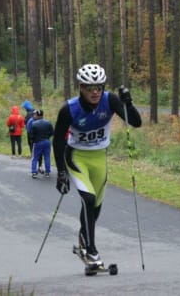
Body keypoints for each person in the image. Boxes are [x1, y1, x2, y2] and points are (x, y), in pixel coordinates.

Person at [52, 64, 142, 266]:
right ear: (81, 88)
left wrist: (128, 104)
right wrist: (61, 173)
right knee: (88, 198)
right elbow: (57, 140)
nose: (95, 92)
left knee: (95, 207)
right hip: (76, 157)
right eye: (89, 88)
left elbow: (136, 122)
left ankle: (83, 240)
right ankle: (92, 251)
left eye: (99, 87)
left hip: (99, 158)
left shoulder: (110, 101)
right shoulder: (69, 109)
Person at [30, 109, 54, 178]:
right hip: (47, 141)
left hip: (38, 142)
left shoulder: (34, 124)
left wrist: (34, 140)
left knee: (35, 157)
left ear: (37, 115)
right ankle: (47, 172)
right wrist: (47, 137)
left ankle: (34, 172)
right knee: (47, 157)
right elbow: (52, 132)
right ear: (43, 115)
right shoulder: (48, 122)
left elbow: (31, 135)